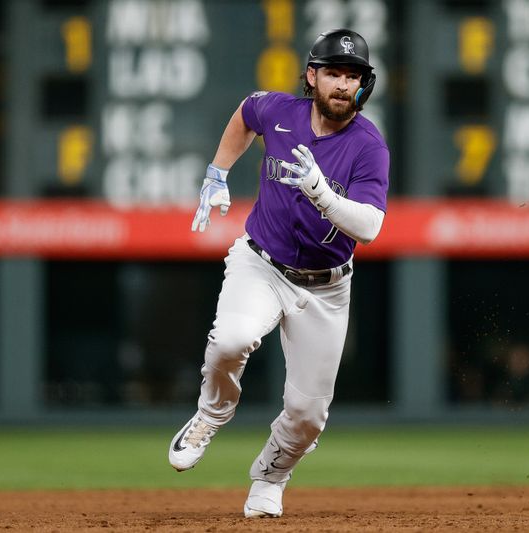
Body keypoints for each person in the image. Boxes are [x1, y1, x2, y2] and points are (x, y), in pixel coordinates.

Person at [168, 28, 390, 518]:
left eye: (353, 76)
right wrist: (218, 172)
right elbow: (245, 114)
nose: (342, 84)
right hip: (261, 263)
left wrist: (322, 193)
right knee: (231, 339)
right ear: (312, 76)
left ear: (363, 84)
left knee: (309, 415)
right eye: (333, 72)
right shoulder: (280, 111)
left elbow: (371, 227)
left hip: (327, 286)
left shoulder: (368, 145)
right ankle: (210, 415)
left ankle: (271, 476)